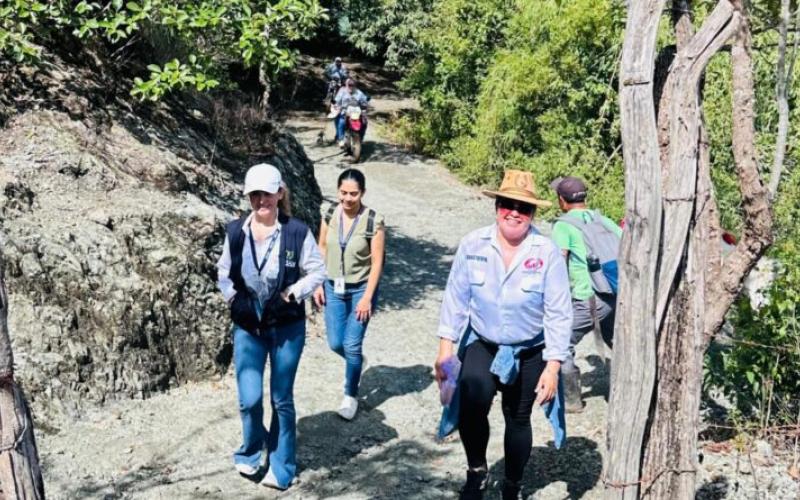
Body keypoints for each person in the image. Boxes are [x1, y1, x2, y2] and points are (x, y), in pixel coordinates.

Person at [434, 170, 572, 500]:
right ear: (496, 207)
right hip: (483, 342)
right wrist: (445, 351)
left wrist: (553, 368)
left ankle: (512, 484)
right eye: (507, 204)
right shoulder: (473, 245)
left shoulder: (546, 252)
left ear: (533, 214)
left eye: (523, 208)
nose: (514, 213)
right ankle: (477, 472)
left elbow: (558, 312)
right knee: (470, 402)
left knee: (518, 418)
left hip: (530, 350)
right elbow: (455, 299)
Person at [217, 163, 326, 490]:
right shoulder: (235, 231)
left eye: (267, 193)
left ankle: (282, 465)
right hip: (249, 325)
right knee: (249, 399)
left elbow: (317, 272)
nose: (261, 200)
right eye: (255, 194)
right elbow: (223, 272)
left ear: (280, 193)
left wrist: (292, 294)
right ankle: (250, 452)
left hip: (286, 326)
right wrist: (234, 301)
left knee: (281, 398)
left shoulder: (296, 232)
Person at [313, 169, 386, 420]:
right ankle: (357, 361)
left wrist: (367, 297)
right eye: (343, 192)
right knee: (336, 343)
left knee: (351, 344)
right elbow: (321, 248)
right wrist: (318, 283)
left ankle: (350, 394)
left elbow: (377, 263)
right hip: (334, 286)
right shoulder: (330, 214)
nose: (347, 198)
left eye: (353, 193)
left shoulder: (372, 221)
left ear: (362, 193)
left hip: (361, 289)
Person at [549, 176, 622, 413]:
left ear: (562, 200)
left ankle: (571, 400)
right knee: (617, 342)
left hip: (588, 298)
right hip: (614, 293)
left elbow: (558, 263)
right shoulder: (602, 219)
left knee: (561, 342)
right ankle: (626, 392)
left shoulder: (563, 225)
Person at [333, 78, 370, 147]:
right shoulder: (342, 91)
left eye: (352, 85)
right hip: (345, 112)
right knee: (341, 122)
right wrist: (337, 106)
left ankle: (360, 139)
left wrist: (365, 105)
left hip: (357, 112)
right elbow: (337, 101)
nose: (351, 86)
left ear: (355, 85)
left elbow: (365, 101)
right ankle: (341, 139)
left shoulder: (359, 93)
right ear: (346, 85)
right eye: (349, 85)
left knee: (364, 123)